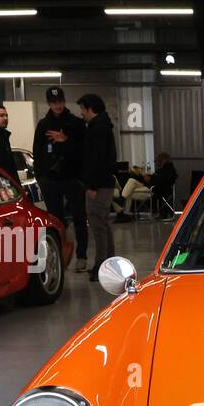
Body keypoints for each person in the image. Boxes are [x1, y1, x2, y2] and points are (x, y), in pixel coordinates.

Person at [33, 87, 88, 271]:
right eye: (53, 102)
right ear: (49, 103)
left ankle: (82, 256)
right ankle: (59, 257)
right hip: (51, 180)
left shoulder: (76, 123)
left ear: (64, 101)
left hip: (72, 178)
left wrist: (66, 141)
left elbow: (83, 151)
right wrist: (41, 177)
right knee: (56, 221)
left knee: (80, 218)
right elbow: (37, 152)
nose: (57, 105)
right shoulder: (43, 125)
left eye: (60, 101)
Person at [76, 92, 117, 280]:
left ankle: (102, 264)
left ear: (90, 108)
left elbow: (98, 160)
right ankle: (109, 261)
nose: (82, 113)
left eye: (83, 109)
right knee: (104, 224)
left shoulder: (98, 129)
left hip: (98, 186)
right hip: (103, 184)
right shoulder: (101, 126)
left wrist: (92, 185)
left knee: (98, 225)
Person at [150, 152, 178, 218]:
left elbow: (161, 180)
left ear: (164, 160)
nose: (157, 162)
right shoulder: (166, 169)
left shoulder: (167, 170)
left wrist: (152, 179)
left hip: (163, 190)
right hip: (162, 189)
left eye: (159, 160)